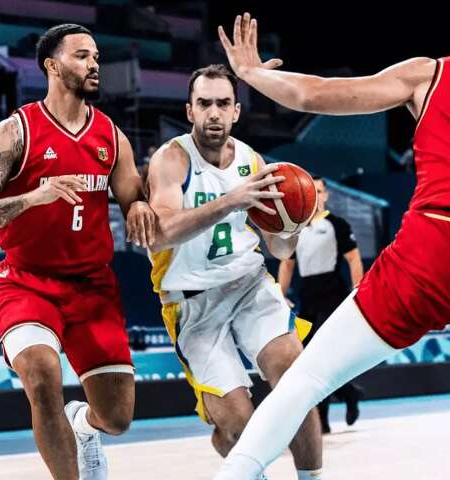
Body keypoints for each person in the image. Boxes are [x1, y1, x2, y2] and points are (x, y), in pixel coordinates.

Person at [213, 12, 450, 479]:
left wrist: (254, 73)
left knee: (306, 379)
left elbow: (315, 94)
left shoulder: (430, 73)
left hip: (434, 246)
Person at [0, 24, 154, 480]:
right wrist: (33, 198)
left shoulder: (112, 137)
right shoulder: (14, 133)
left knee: (116, 418)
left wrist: (141, 208)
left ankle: (84, 425)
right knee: (42, 379)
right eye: (81, 56)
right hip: (27, 283)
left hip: (93, 287)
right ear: (52, 65)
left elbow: (134, 196)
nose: (94, 64)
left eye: (96, 56)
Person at [147, 63, 323, 480]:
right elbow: (160, 234)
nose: (214, 113)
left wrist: (291, 226)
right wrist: (230, 200)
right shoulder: (171, 159)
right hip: (193, 305)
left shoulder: (251, 160)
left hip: (249, 286)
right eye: (204, 103)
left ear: (236, 111)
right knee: (240, 424)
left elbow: (278, 247)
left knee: (296, 382)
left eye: (223, 103)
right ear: (189, 111)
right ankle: (230, 440)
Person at [278, 175, 364, 433]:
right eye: (311, 191)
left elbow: (354, 259)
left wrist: (357, 291)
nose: (315, 195)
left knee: (322, 357)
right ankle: (348, 394)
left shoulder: (336, 224)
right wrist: (281, 295)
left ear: (325, 195)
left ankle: (324, 418)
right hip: (308, 300)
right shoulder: (296, 229)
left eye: (319, 190)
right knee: (308, 361)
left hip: (333, 298)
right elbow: (287, 263)